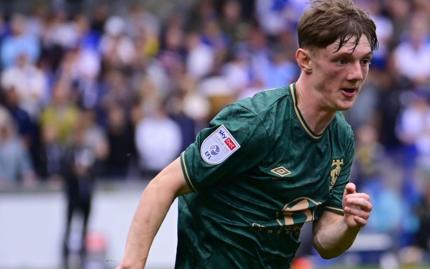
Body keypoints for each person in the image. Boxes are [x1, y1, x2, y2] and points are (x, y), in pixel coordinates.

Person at [117, 0, 378, 268]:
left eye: (365, 60)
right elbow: (163, 185)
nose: (356, 74)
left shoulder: (342, 138)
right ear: (305, 60)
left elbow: (325, 241)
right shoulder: (254, 122)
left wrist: (349, 225)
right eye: (342, 60)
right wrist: (132, 264)